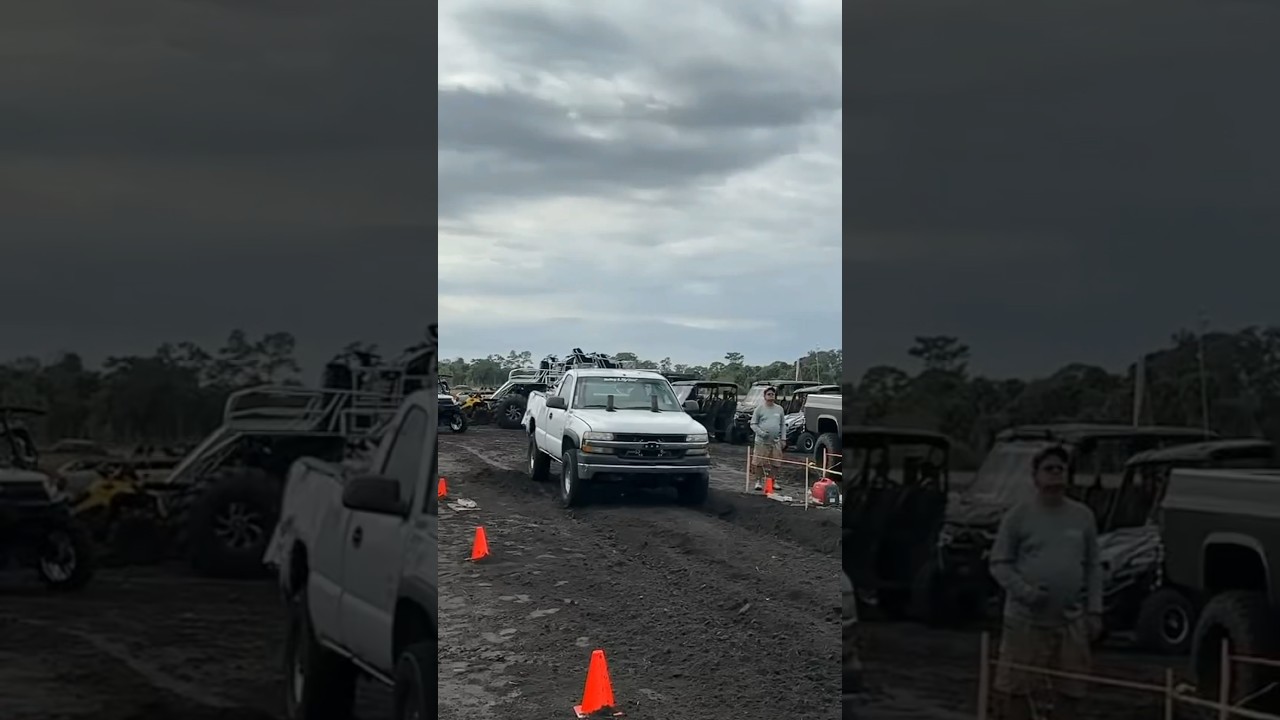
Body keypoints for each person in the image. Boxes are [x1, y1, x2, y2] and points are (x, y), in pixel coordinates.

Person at [989, 445, 1103, 720]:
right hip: (1026, 618)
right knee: (1017, 687)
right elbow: (998, 564)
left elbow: (1093, 567)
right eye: (1048, 469)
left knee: (1072, 687)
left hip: (1071, 619)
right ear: (1035, 476)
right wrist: (1025, 592)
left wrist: (1095, 611)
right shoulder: (1018, 516)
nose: (1055, 474)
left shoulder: (1083, 516)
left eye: (1060, 469)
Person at [749, 386, 785, 491]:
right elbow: (753, 424)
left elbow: (783, 425)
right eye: (769, 394)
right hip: (762, 441)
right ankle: (758, 482)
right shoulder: (759, 409)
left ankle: (771, 481)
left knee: (776, 463)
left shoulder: (779, 409)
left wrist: (783, 439)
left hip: (775, 441)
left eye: (773, 394)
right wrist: (761, 433)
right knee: (759, 462)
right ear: (764, 396)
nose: (771, 396)